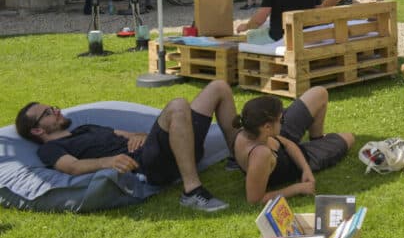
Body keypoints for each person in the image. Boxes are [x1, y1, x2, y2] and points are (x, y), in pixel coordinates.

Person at [15, 80, 239, 212]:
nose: (55, 110)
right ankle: (192, 191)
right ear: (37, 130)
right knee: (177, 105)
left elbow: (132, 134)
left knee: (219, 87)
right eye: (47, 113)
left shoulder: (85, 128)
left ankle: (237, 157)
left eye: (52, 107)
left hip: (158, 148)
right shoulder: (49, 149)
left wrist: (140, 136)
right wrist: (108, 162)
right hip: (149, 165)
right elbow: (72, 167)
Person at [232, 87, 354, 204]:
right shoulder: (260, 155)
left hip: (282, 141)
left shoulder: (251, 130)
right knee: (349, 137)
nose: (282, 119)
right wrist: (298, 188)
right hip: (295, 161)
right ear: (267, 127)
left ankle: (317, 140)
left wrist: (305, 169)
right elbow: (255, 199)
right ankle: (319, 147)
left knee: (320, 93)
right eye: (281, 119)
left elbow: (287, 143)